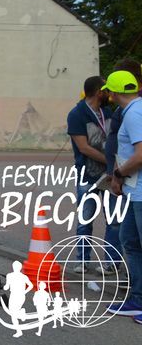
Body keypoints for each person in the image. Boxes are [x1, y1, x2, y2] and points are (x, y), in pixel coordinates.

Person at [66, 75, 119, 271]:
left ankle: (111, 263)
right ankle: (82, 260)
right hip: (87, 175)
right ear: (98, 92)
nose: (110, 94)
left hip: (110, 175)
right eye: (106, 90)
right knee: (85, 220)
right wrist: (111, 162)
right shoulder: (77, 114)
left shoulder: (108, 112)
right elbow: (84, 148)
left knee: (114, 220)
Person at [106, 69, 142, 322]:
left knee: (133, 242)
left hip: (140, 192)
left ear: (113, 93)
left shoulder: (134, 114)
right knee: (129, 240)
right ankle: (137, 299)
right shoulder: (135, 109)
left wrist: (118, 173)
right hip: (134, 189)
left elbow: (140, 155)